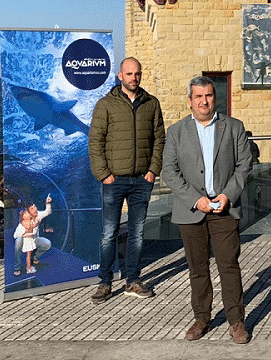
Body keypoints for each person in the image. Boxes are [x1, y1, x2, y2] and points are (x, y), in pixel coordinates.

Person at [162, 76, 252, 343]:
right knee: (197, 268)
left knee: (229, 266)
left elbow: (244, 165)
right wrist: (194, 199)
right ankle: (202, 318)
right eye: (199, 97)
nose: (204, 101)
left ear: (215, 98)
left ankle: (236, 321)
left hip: (224, 208)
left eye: (209, 96)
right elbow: (169, 171)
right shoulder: (176, 132)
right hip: (191, 211)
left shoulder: (233, 127)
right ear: (190, 101)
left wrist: (228, 195)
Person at [88, 57, 165, 303]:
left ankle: (133, 280)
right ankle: (105, 282)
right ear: (120, 76)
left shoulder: (151, 104)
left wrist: (153, 170)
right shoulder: (105, 105)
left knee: (137, 233)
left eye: (137, 73)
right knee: (109, 233)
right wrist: (104, 174)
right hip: (114, 180)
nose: (134, 78)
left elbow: (159, 139)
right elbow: (95, 142)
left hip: (142, 180)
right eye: (129, 74)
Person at [12, 196, 52, 275]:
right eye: (32, 209)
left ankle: (34, 258)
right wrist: (26, 232)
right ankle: (17, 267)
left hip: (34, 239)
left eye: (35, 207)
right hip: (24, 239)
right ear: (28, 212)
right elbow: (16, 234)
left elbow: (47, 212)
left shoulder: (38, 215)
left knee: (47, 244)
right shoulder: (24, 219)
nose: (35, 210)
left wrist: (48, 203)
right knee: (18, 242)